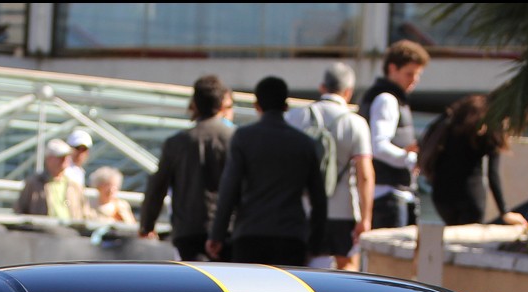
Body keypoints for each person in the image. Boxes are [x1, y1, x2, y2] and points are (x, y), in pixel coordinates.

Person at [206, 76, 327, 267]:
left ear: (257, 106)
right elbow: (319, 198)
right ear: (286, 106)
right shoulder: (304, 143)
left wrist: (217, 235)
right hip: (291, 236)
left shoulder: (243, 138)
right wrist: (315, 242)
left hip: (250, 234)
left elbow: (229, 190)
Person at [288, 61, 374, 270]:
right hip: (342, 210)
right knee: (347, 266)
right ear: (348, 92)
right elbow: (365, 174)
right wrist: (366, 218)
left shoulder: (296, 116)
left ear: (322, 87)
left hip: (304, 209)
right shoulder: (356, 123)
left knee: (300, 269)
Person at [139, 75, 236, 260]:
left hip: (188, 231)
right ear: (222, 104)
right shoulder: (235, 138)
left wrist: (147, 224)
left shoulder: (177, 143)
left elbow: (157, 186)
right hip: (228, 230)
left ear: (195, 104)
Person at [421, 94, 528, 228]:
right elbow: (492, 174)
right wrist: (504, 211)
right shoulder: (489, 128)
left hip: (441, 196)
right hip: (470, 195)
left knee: (451, 240)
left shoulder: (453, 119)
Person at [360, 40, 429, 230]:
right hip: (388, 195)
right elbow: (378, 146)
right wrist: (409, 158)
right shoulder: (387, 99)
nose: (414, 79)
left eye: (417, 74)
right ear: (392, 69)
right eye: (409, 73)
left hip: (391, 194)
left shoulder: (387, 98)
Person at [15, 139, 87, 220]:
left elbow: (85, 213)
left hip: (70, 231)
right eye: (60, 156)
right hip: (43, 231)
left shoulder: (75, 186)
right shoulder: (34, 184)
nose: (64, 160)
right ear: (48, 159)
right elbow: (20, 210)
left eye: (66, 156)